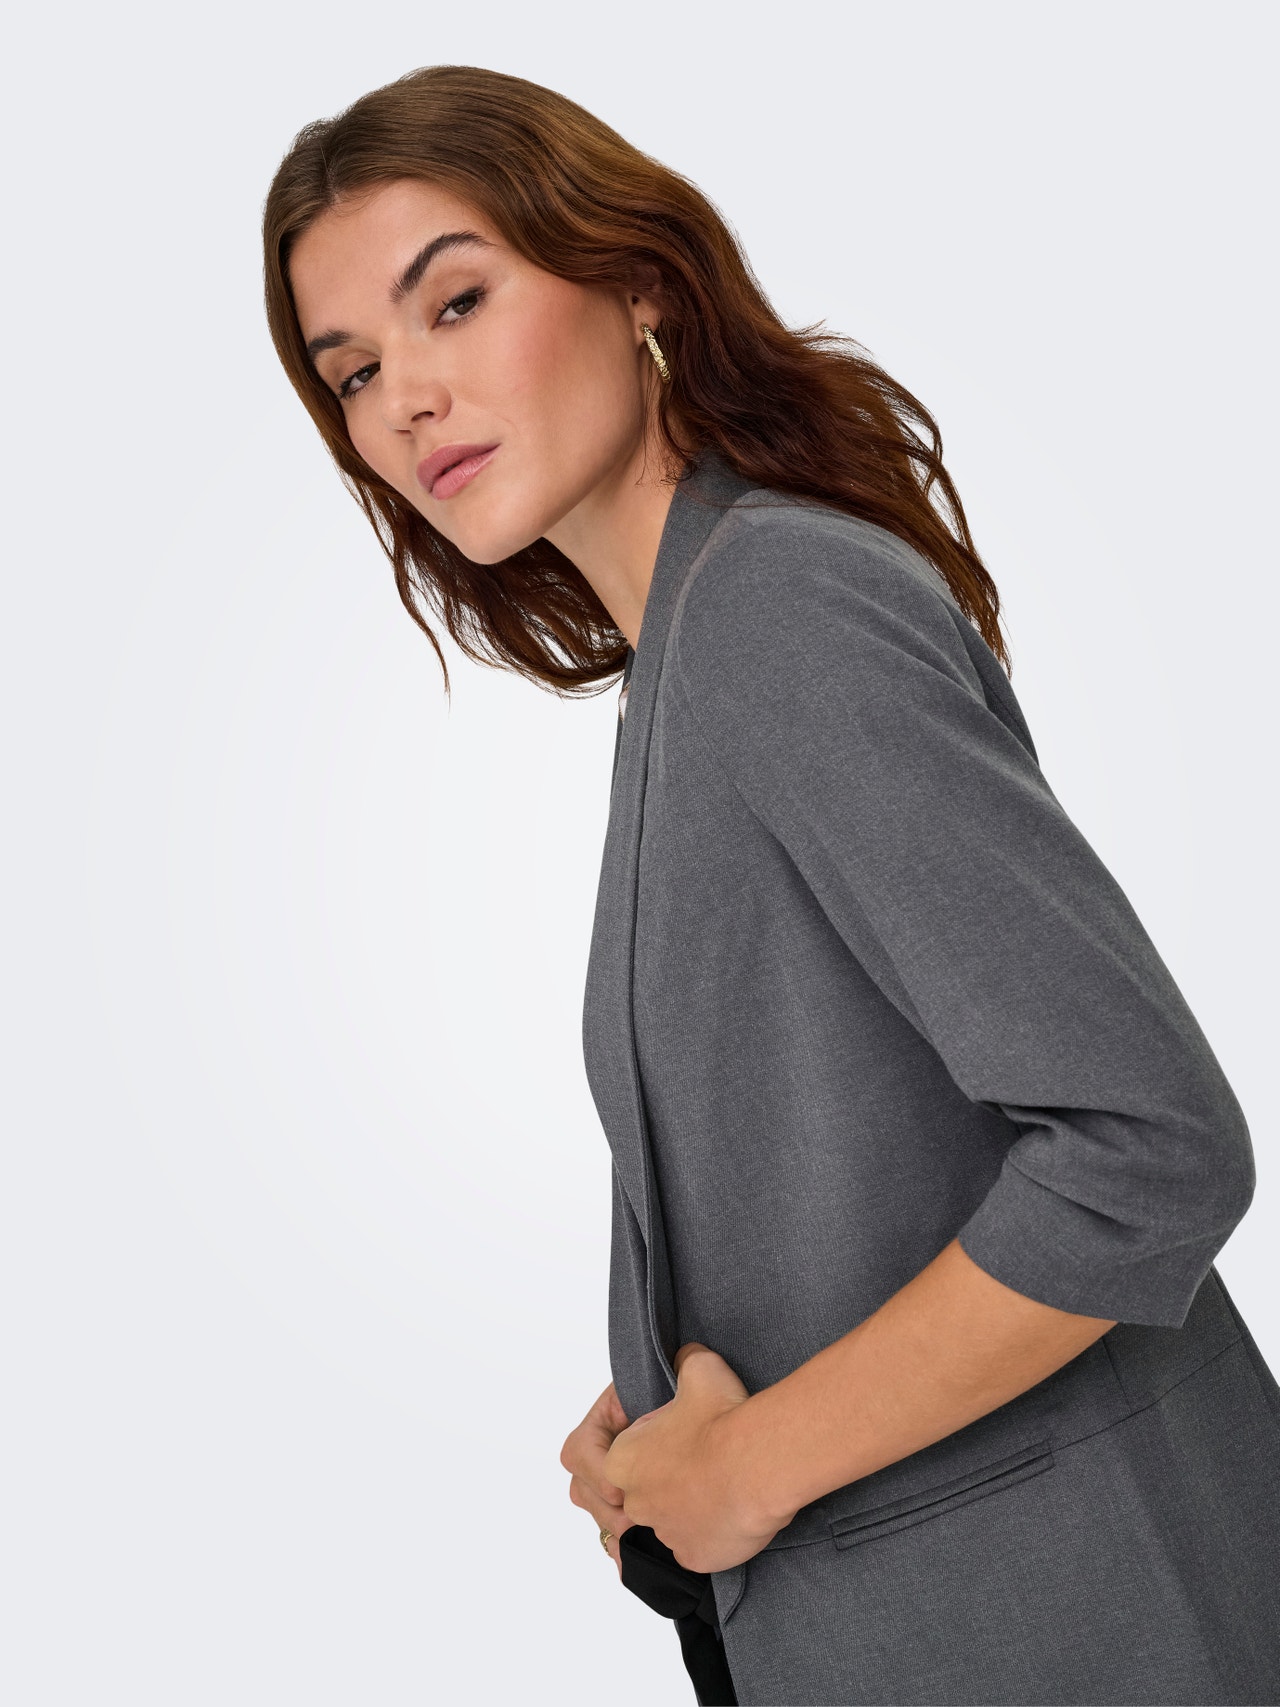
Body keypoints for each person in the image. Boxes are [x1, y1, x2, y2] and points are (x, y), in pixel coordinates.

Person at [262, 62, 1280, 1707]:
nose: (407, 401)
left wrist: (754, 1463)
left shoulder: (775, 609)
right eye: (357, 371)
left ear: (639, 284)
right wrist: (664, 1427)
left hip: (1086, 1623)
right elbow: (854, 1148)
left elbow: (1150, 1152)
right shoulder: (691, 649)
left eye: (454, 303)